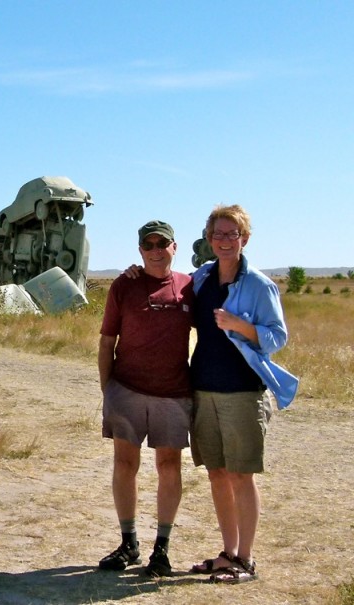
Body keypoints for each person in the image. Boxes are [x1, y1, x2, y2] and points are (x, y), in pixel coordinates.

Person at [187, 204, 298, 584]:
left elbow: (277, 337)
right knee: (217, 473)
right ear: (208, 239)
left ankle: (246, 560)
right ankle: (228, 553)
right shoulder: (201, 278)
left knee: (241, 475)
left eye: (231, 234)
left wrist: (242, 326)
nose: (223, 240)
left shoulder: (259, 285)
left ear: (244, 239)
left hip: (242, 391)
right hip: (203, 388)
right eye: (217, 234)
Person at [97, 220, 195, 577]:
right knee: (125, 465)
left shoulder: (189, 286)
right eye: (148, 244)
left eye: (162, 243)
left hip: (173, 393)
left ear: (174, 247)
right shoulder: (125, 285)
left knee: (169, 467)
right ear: (140, 249)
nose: (155, 250)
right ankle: (129, 543)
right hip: (127, 391)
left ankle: (162, 550)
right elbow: (107, 341)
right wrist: (108, 389)